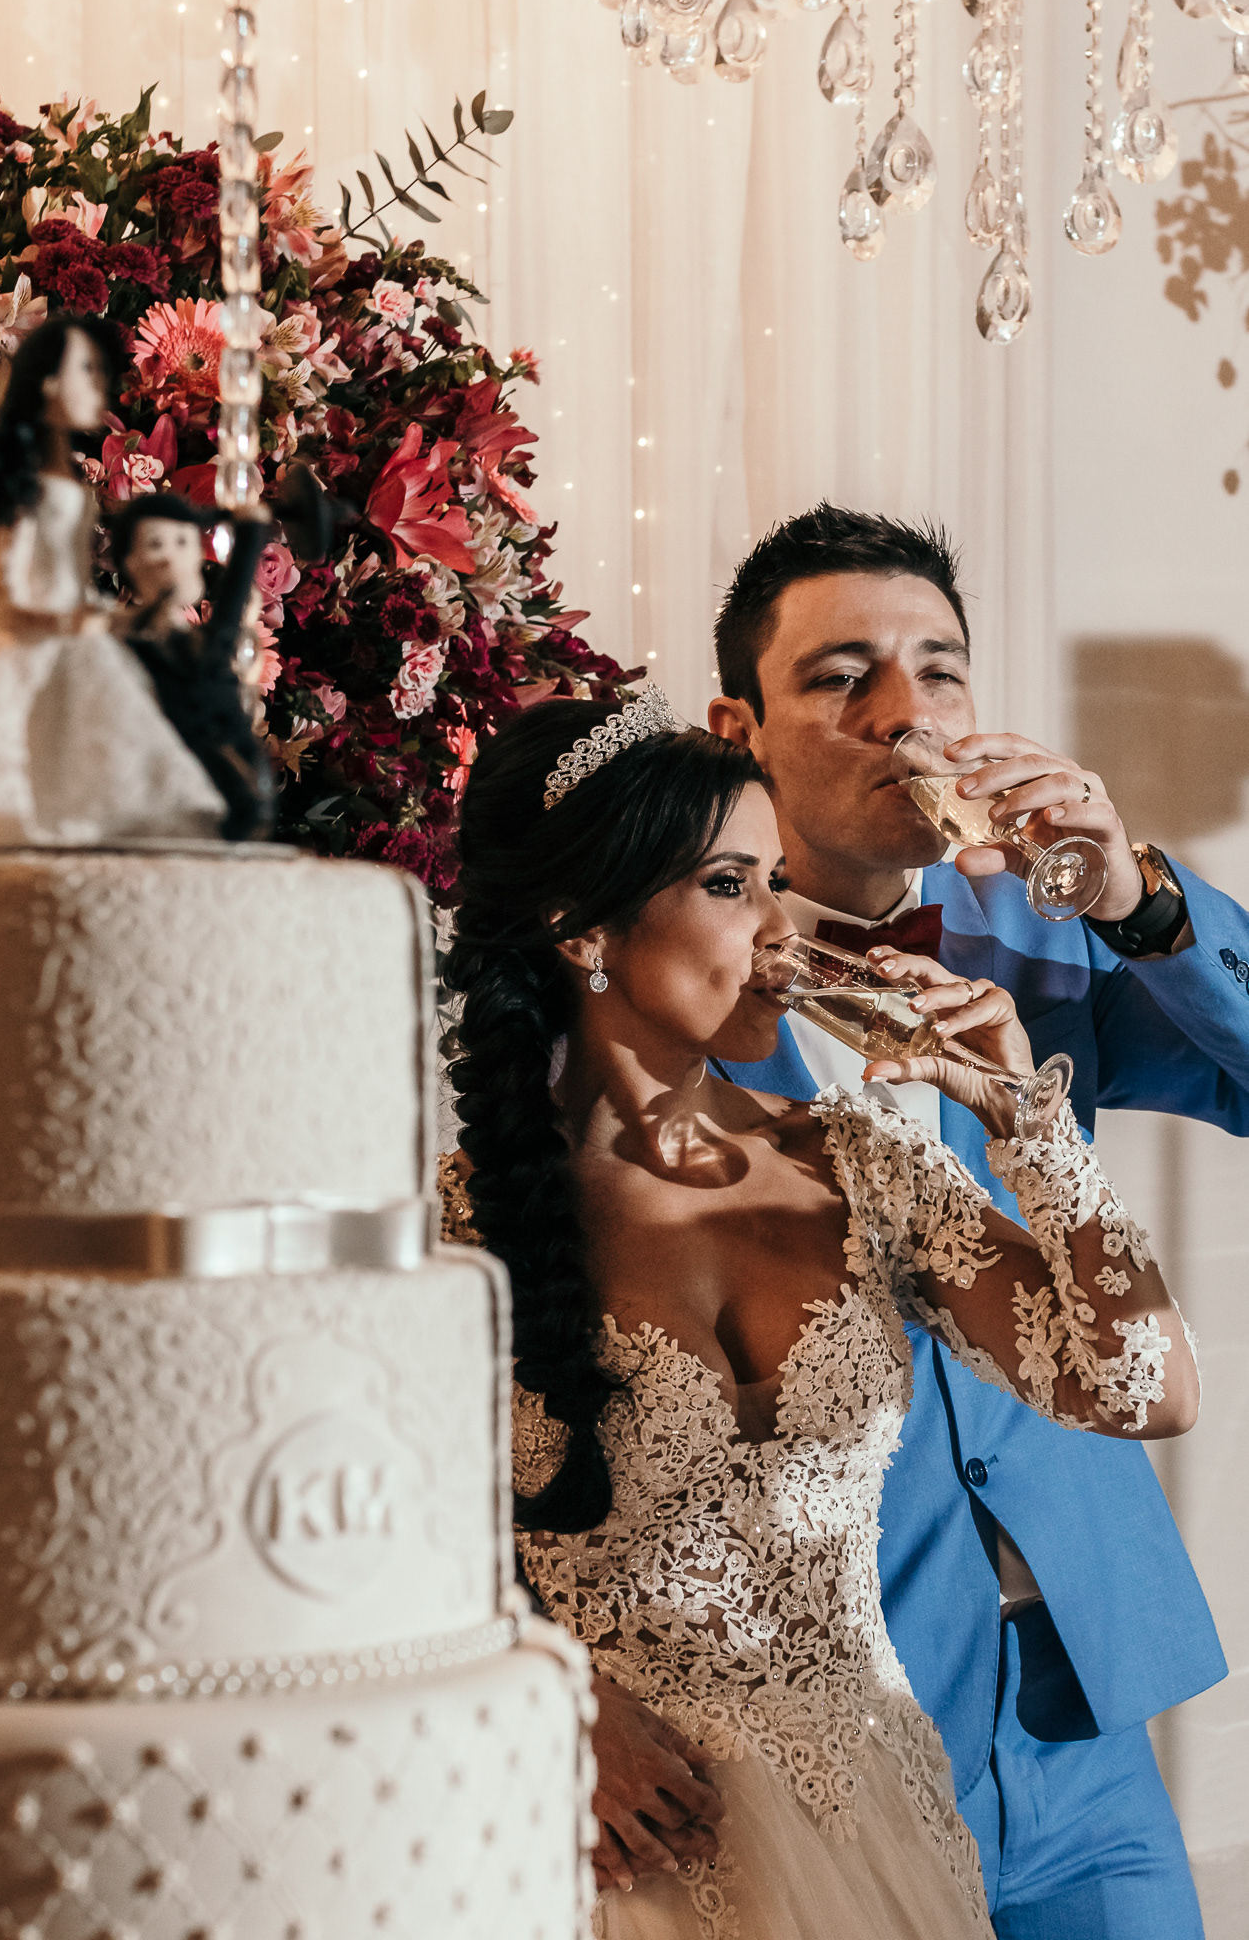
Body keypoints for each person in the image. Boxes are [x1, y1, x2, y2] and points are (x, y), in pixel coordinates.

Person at [440, 688, 1198, 1940]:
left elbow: (1146, 1391)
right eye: (730, 885)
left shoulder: (859, 1162)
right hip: (601, 1849)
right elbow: (370, 1546)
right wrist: (555, 1690)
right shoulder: (447, 1224)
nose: (780, 930)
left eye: (775, 881)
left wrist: (1028, 1120)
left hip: (876, 1829)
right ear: (584, 928)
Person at [658, 502, 1239, 1939]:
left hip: (1079, 1701)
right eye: (841, 675)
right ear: (738, 729)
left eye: (940, 668)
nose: (905, 713)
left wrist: (1140, 901)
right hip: (837, 1722)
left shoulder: (1046, 944)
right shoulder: (659, 992)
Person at [0, 316, 226, 848]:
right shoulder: (31, 485)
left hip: (71, 630)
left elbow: (67, 574)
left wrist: (104, 613)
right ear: (47, 382)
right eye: (84, 371)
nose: (98, 386)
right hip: (34, 638)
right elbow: (11, 584)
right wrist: (71, 617)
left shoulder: (63, 476)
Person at [109, 491, 276, 842]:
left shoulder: (205, 642)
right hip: (177, 762)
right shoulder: (129, 641)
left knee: (251, 805)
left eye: (183, 543)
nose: (170, 558)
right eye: (155, 545)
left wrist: (251, 534)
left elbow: (232, 598)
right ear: (129, 562)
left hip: (230, 743)